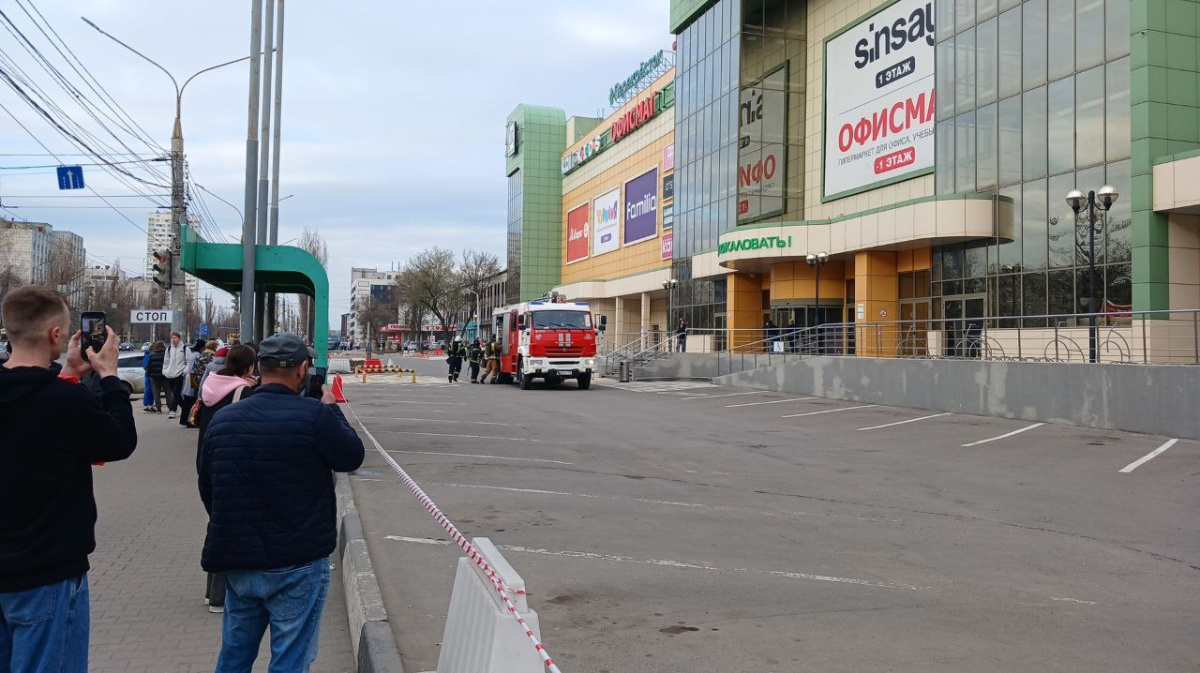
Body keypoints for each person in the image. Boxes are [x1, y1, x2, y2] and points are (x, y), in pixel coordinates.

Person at [199, 334, 364, 670]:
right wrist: (333, 409)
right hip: (297, 561)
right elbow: (351, 456)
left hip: (239, 559)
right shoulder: (315, 416)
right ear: (303, 369)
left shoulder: (224, 420)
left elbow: (208, 486)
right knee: (290, 661)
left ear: (259, 367)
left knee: (234, 656)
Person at [0, 285, 138, 673]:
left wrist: (67, 374)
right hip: (47, 571)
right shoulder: (63, 403)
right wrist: (109, 376)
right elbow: (119, 442)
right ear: (56, 335)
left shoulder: (53, 395)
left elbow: (28, 409)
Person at [195, 344, 259, 614]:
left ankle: (212, 593)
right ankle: (221, 597)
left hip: (207, 460)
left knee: (217, 523)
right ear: (248, 366)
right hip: (232, 463)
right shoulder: (242, 391)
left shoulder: (212, 383)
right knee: (230, 530)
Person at [179, 339, 211, 428]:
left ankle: (185, 421)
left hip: (189, 379)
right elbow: (195, 369)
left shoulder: (193, 354)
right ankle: (190, 422)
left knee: (187, 401)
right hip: (193, 380)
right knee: (191, 402)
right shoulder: (198, 355)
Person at [162, 332, 188, 419]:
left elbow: (188, 362)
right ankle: (185, 408)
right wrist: (165, 371)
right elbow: (166, 362)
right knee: (175, 393)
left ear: (179, 338)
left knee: (176, 392)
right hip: (169, 374)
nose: (173, 339)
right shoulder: (169, 349)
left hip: (179, 374)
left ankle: (172, 410)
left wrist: (184, 371)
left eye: (175, 337)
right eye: (172, 338)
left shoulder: (184, 348)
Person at [146, 340, 167, 413]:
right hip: (165, 376)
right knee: (168, 392)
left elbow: (149, 366)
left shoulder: (152, 354)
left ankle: (159, 409)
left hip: (154, 377)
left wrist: (148, 374)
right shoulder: (166, 353)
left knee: (156, 393)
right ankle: (171, 408)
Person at [141, 344, 153, 411]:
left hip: (149, 374)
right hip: (149, 374)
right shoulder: (148, 355)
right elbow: (145, 366)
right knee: (149, 390)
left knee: (150, 390)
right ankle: (147, 404)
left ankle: (149, 404)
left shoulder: (148, 354)